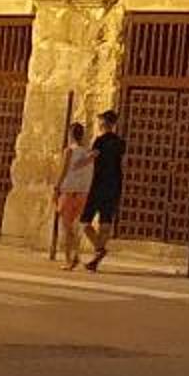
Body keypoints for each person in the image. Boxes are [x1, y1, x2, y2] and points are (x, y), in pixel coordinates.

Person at [82, 107, 126, 270]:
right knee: (105, 222)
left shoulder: (99, 141)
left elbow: (92, 156)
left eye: (100, 120)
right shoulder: (120, 143)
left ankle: (99, 249)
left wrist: (77, 163)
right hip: (114, 185)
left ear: (105, 123)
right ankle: (96, 258)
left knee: (85, 222)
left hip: (99, 184)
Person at [52, 123, 95, 268]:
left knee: (67, 228)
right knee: (76, 228)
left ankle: (69, 260)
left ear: (70, 135)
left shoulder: (69, 151)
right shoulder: (89, 153)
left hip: (69, 193)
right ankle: (75, 255)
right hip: (83, 194)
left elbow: (63, 171)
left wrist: (56, 188)